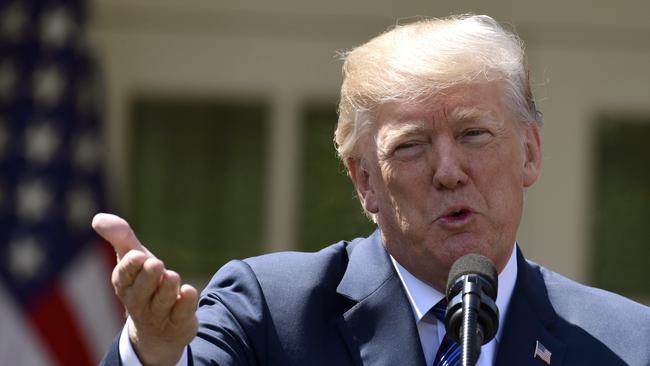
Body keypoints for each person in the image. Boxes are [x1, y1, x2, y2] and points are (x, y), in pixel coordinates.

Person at [95, 14, 650, 366]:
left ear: (529, 151)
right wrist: (155, 353)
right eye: (410, 146)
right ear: (365, 182)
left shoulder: (629, 343)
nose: (449, 171)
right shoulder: (269, 312)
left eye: (473, 134)